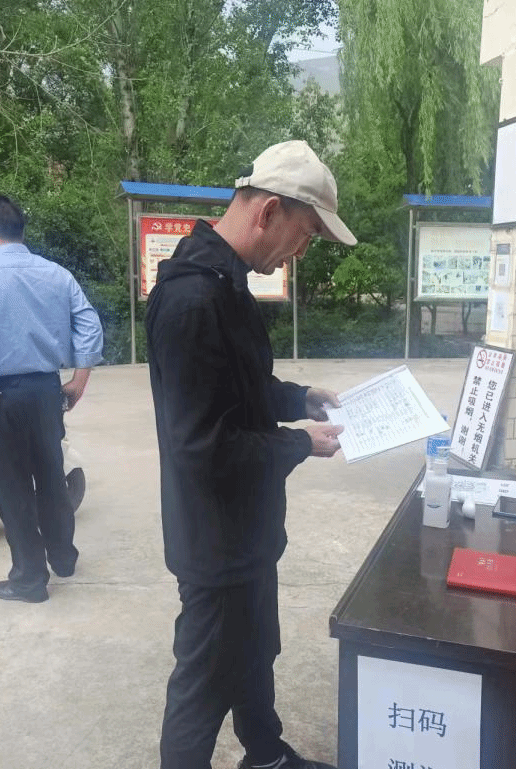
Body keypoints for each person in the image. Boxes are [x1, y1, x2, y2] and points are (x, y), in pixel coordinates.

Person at [146, 140, 352, 769]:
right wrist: (299, 443)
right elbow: (200, 445)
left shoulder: (225, 283)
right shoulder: (193, 299)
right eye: (305, 233)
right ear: (267, 213)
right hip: (215, 538)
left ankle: (265, 755)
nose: (302, 252)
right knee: (204, 681)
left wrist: (298, 398)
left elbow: (237, 388)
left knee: (256, 649)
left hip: (245, 527)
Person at [0, 195, 103, 603]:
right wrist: (79, 381)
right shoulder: (57, 274)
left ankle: (29, 580)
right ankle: (63, 558)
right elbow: (89, 323)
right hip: (47, 392)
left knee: (11, 489)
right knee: (50, 475)